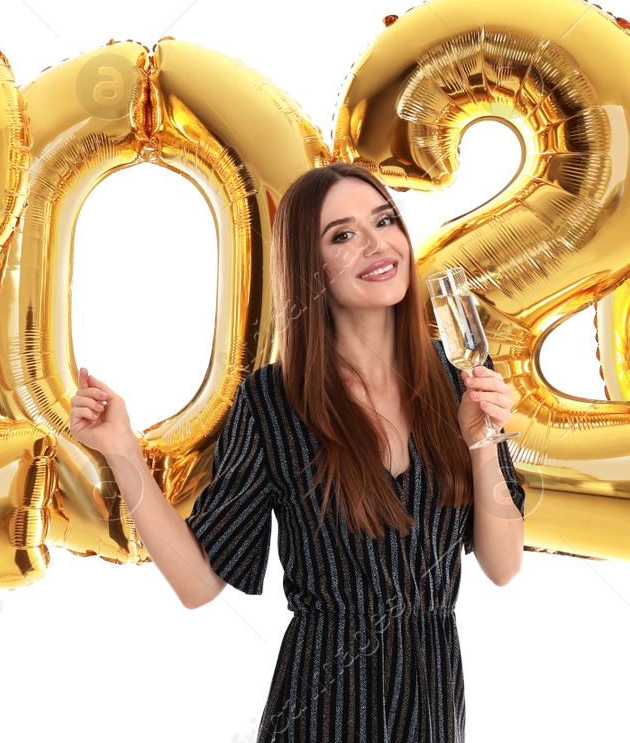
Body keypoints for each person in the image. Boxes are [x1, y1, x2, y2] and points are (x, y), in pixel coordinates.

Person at [69, 161, 526, 741]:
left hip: (432, 710)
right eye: (343, 235)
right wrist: (121, 450)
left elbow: (503, 566)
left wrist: (482, 440)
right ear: (310, 269)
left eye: (384, 221)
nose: (376, 243)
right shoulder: (272, 401)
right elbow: (198, 585)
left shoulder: (456, 377)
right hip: (321, 711)